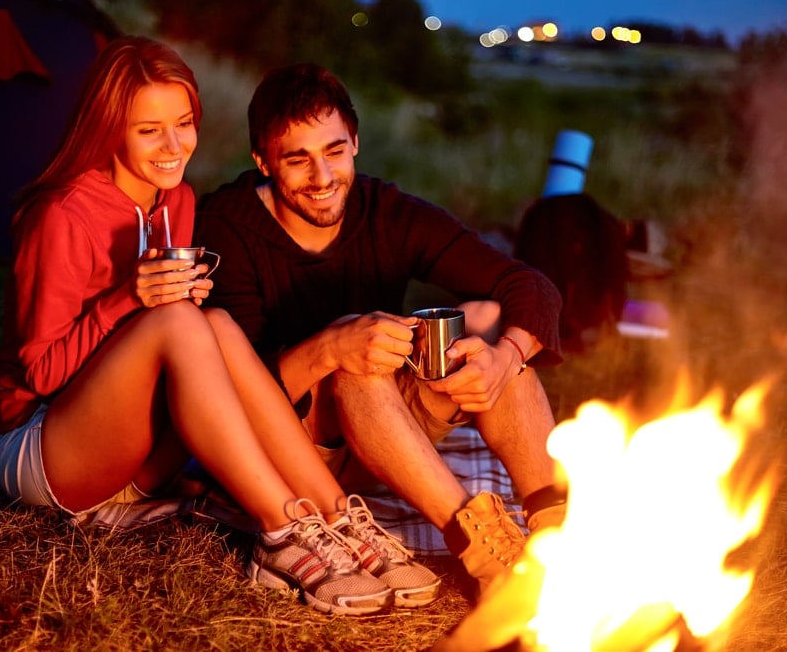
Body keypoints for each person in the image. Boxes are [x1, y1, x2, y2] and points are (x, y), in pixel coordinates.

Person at [0, 37, 440, 615]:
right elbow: (42, 372)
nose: (173, 145)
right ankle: (281, 533)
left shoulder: (175, 200)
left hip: (139, 461)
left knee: (219, 323)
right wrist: (130, 298)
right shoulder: (63, 215)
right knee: (183, 323)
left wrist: (174, 311)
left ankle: (335, 517)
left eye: (184, 123)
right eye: (148, 129)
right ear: (110, 127)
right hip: (47, 456)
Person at [195, 63, 568, 596]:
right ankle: (487, 553)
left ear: (355, 143)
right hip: (289, 453)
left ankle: (556, 534)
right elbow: (229, 394)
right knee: (357, 370)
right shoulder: (225, 225)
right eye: (297, 159)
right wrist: (330, 347)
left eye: (334, 151)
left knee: (491, 353)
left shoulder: (385, 212)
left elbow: (530, 285)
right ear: (263, 162)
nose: (322, 178)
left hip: (385, 442)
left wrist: (505, 356)